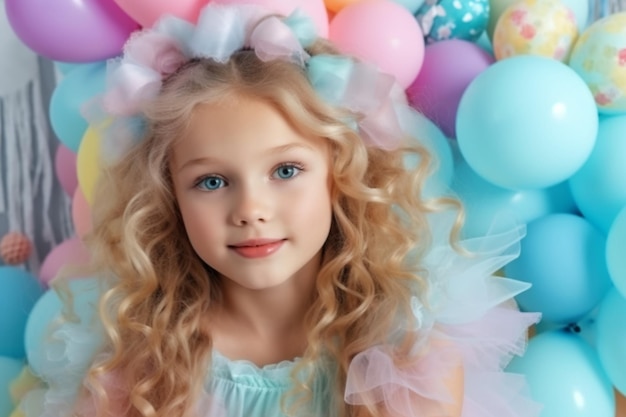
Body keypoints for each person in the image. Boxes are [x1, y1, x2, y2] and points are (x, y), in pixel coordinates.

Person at [19, 4, 541, 417]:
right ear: (169, 200)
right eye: (212, 181)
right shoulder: (140, 369)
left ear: (340, 174)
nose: (250, 209)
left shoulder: (404, 363)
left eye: (286, 171)